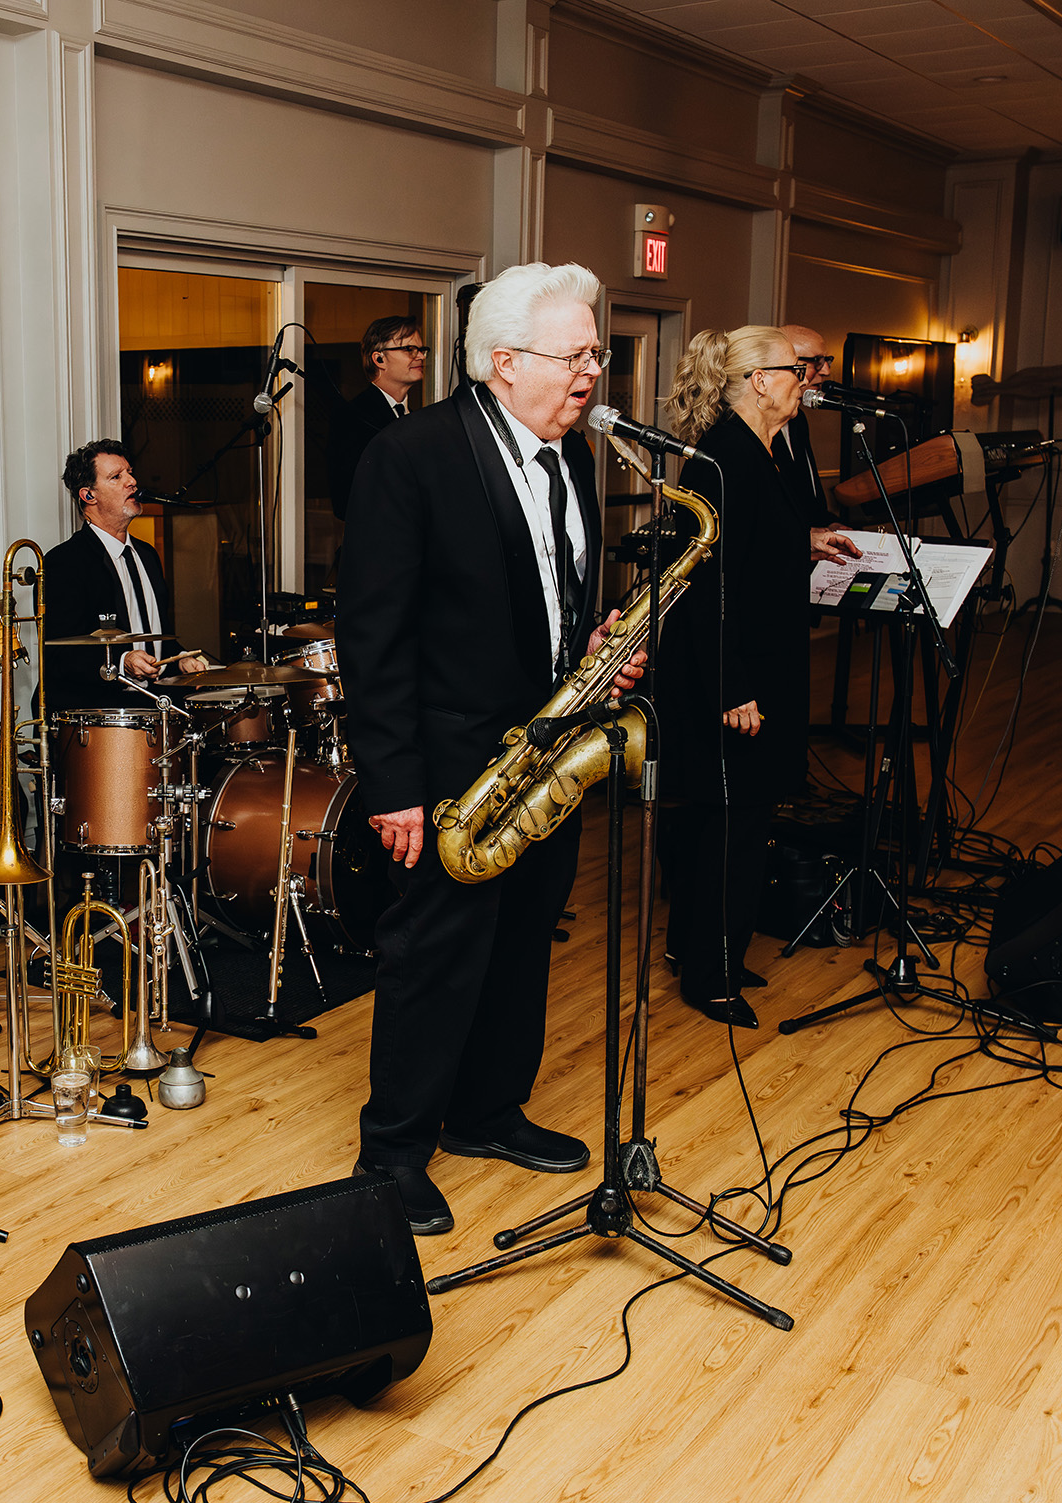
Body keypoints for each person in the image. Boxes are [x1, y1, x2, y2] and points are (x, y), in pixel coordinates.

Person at [337, 263, 644, 1237]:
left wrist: (589, 649)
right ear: (504, 361)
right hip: (446, 766)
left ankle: (485, 1110)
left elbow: (546, 592)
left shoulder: (573, 457)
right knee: (434, 957)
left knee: (522, 940)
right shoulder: (412, 455)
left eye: (595, 352)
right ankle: (392, 1152)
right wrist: (393, 784)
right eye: (574, 354)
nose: (591, 370)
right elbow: (373, 636)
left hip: (548, 753)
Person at [656, 328, 862, 1027]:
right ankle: (710, 976)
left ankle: (701, 950)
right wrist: (731, 687)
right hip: (732, 675)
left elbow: (749, 545)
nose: (805, 380)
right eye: (794, 370)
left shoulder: (758, 449)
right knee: (730, 828)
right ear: (758, 380)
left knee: (730, 821)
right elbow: (707, 589)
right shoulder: (723, 458)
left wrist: (805, 539)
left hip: (759, 664)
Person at [40, 440, 207, 712]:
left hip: (157, 707)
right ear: (88, 496)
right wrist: (122, 662)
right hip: (101, 716)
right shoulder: (64, 562)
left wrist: (180, 659)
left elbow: (156, 635)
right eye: (116, 477)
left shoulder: (147, 555)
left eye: (129, 472)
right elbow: (61, 654)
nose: (132, 481)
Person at [329, 316, 428, 521]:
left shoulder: (418, 418)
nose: (420, 356)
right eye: (409, 349)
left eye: (421, 349)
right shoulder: (351, 417)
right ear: (379, 359)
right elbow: (344, 502)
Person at [776, 323, 834, 516]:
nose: (826, 371)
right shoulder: (748, 426)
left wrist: (828, 523)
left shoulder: (798, 419)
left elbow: (805, 491)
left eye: (826, 360)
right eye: (817, 361)